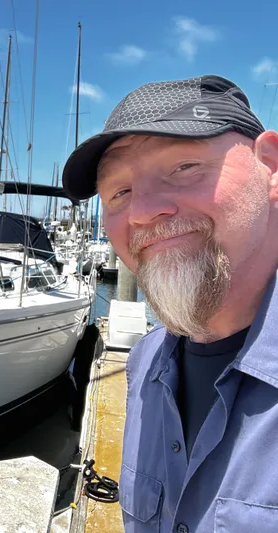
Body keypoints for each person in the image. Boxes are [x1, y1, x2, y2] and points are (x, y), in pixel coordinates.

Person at [62, 75, 278, 532]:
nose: (141, 210)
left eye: (183, 167)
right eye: (118, 192)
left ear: (271, 168)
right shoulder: (146, 364)